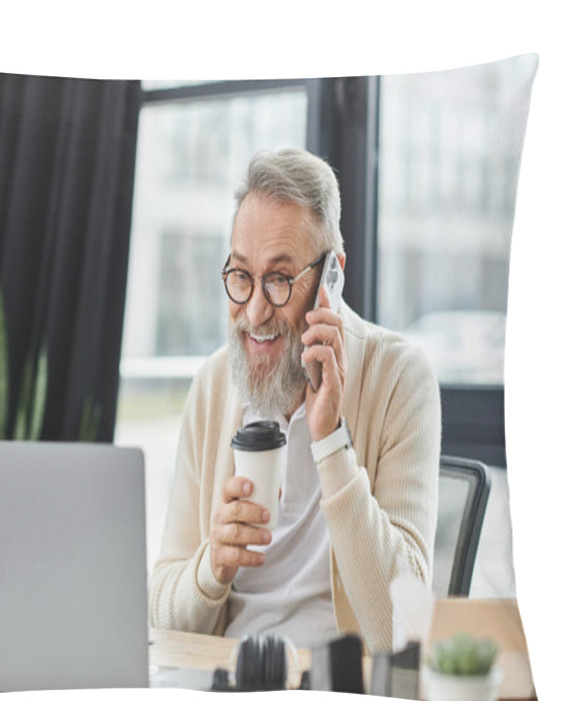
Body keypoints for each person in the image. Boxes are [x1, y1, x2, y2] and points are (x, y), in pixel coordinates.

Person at [148, 148, 441, 653]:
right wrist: (210, 566)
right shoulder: (214, 385)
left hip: (338, 689)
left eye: (280, 279)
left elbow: (404, 628)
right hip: (226, 682)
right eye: (241, 275)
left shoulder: (401, 378)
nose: (255, 311)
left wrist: (330, 441)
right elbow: (162, 616)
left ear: (332, 277)